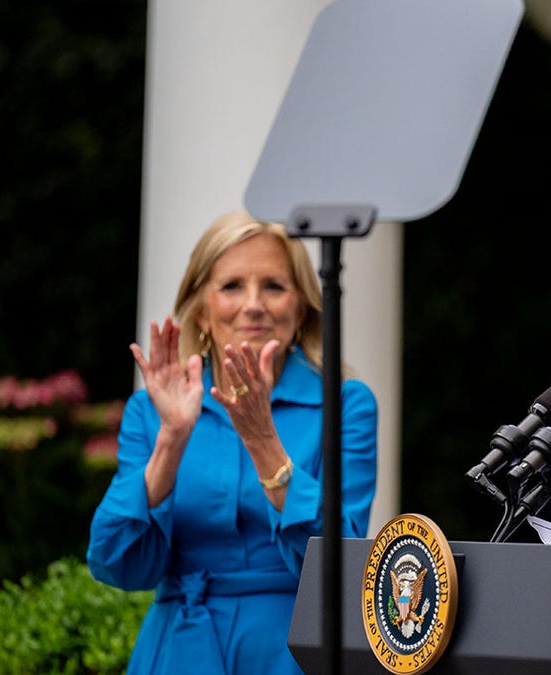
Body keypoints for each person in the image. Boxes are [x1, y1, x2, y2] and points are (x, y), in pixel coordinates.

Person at [87, 211, 378, 674]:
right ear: (201, 308)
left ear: (301, 306)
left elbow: (342, 564)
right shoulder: (151, 411)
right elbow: (116, 564)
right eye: (232, 286)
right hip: (177, 648)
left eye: (275, 286)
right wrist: (171, 441)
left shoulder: (346, 404)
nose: (254, 304)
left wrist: (264, 440)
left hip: (291, 652)